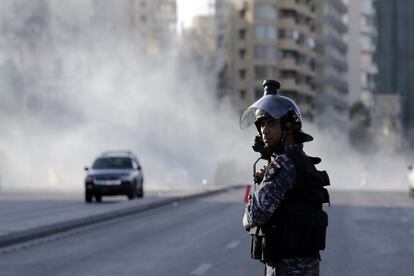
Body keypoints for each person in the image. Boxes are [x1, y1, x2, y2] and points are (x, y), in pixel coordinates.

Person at [241, 80, 330, 276]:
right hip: (304, 265)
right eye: (262, 124)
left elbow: (256, 215)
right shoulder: (300, 160)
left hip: (288, 268)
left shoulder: (284, 164)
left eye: (271, 123)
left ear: (288, 128)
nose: (264, 130)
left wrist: (249, 209)